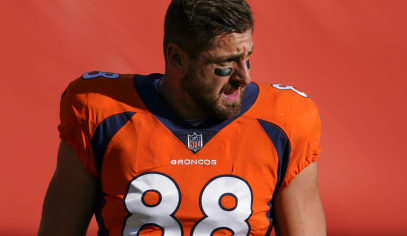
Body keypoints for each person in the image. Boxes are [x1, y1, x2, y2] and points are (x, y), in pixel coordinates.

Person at [38, 0, 326, 235]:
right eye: (225, 63)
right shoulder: (102, 111)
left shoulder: (284, 120)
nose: (244, 78)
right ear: (176, 58)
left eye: (247, 56)